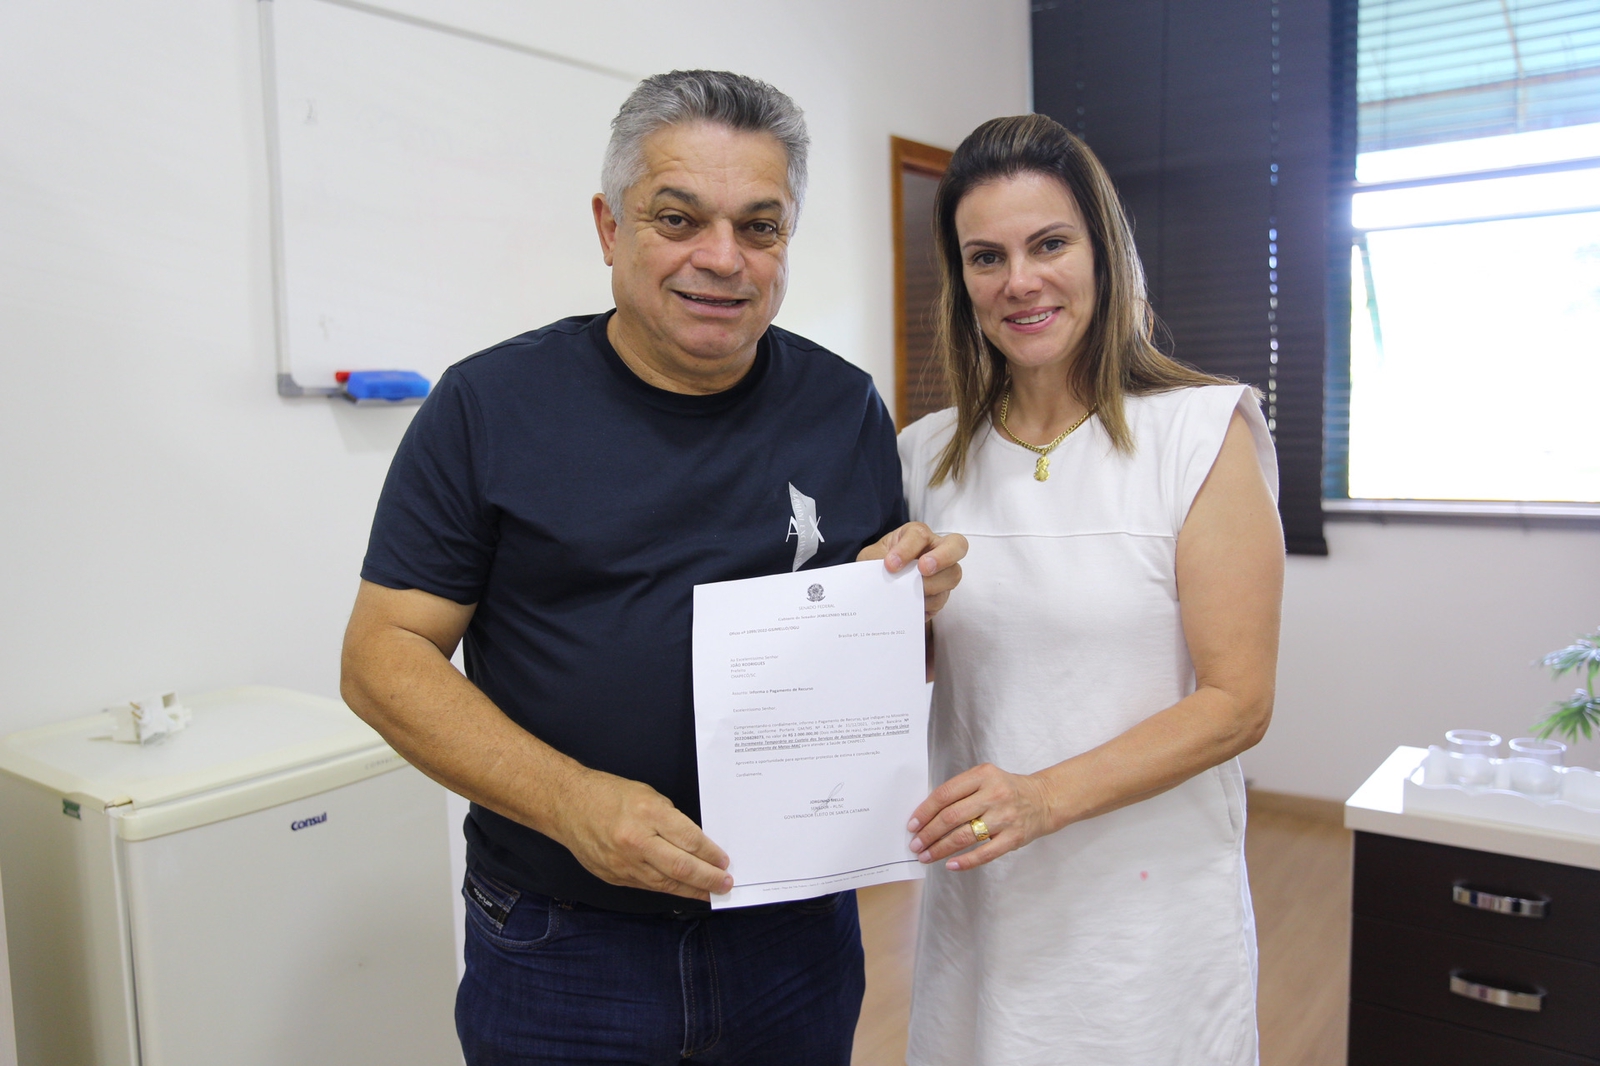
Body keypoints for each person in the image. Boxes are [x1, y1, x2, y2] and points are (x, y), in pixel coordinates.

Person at [339, 70, 966, 1066]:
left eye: (759, 227)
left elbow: (884, 657)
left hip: (793, 935)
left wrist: (910, 602)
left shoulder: (843, 407)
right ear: (608, 227)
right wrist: (571, 800)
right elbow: (383, 656)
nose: (721, 258)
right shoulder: (489, 408)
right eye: (678, 219)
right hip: (563, 943)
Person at [896, 113, 1283, 1066]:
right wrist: (891, 615)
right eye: (986, 257)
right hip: (982, 902)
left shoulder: (1201, 435)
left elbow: (1238, 704)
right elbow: (921, 675)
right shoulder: (924, 456)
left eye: (1049, 244)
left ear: (1103, 253)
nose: (1019, 281)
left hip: (1145, 920)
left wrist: (1041, 798)